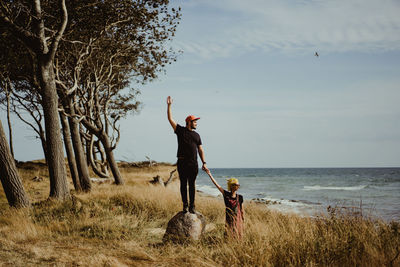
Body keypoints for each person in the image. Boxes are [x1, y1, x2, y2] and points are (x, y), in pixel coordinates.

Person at [167, 96, 209, 213]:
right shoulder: (180, 130)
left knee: (192, 185)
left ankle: (192, 206)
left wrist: (204, 163)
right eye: (194, 121)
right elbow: (170, 119)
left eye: (196, 121)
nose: (196, 123)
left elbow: (200, 150)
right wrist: (169, 106)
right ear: (189, 122)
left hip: (193, 163)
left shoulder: (197, 135)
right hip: (182, 162)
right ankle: (185, 205)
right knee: (183, 185)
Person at [206, 170, 244, 239]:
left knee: (238, 233)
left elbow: (241, 209)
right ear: (232, 186)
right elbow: (217, 185)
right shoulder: (226, 195)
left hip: (237, 218)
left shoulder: (240, 197)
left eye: (238, 185)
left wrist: (243, 218)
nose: (238, 186)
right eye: (236, 185)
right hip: (229, 217)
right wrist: (209, 174)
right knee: (228, 232)